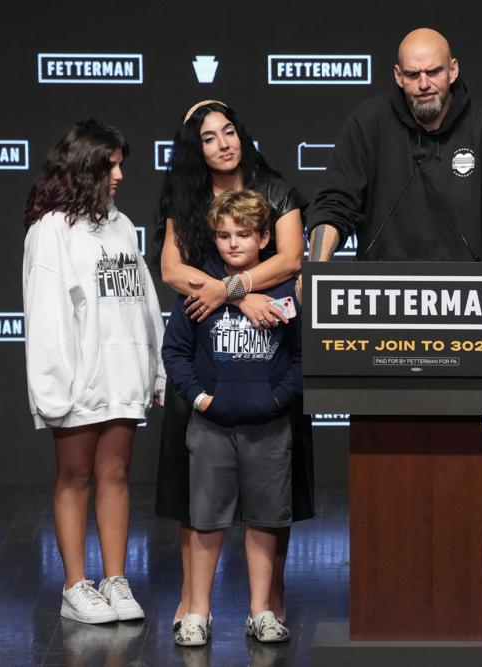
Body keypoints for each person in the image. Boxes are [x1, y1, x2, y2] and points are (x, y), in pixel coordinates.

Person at [152, 100, 313, 635]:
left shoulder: (277, 190)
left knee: (272, 495)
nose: (223, 143)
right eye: (208, 137)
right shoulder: (186, 197)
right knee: (196, 495)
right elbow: (173, 270)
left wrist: (231, 288)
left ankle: (267, 600)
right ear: (193, 150)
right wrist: (233, 299)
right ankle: (192, 601)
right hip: (206, 369)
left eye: (229, 132)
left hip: (265, 375)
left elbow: (290, 262)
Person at [23, 119, 165, 624]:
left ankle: (115, 580)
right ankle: (75, 586)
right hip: (78, 380)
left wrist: (156, 369)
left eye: (121, 163)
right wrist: (54, 388)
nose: (120, 174)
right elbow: (45, 314)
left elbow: (143, 302)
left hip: (124, 374)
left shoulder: (122, 225)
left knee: (115, 475)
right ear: (85, 166)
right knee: (76, 476)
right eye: (111, 164)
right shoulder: (50, 231)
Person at [306, 27, 482, 301]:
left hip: (474, 299)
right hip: (382, 297)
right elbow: (335, 204)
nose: (423, 84)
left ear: (453, 70)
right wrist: (315, 270)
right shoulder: (368, 123)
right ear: (398, 75)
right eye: (412, 74)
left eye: (433, 72)